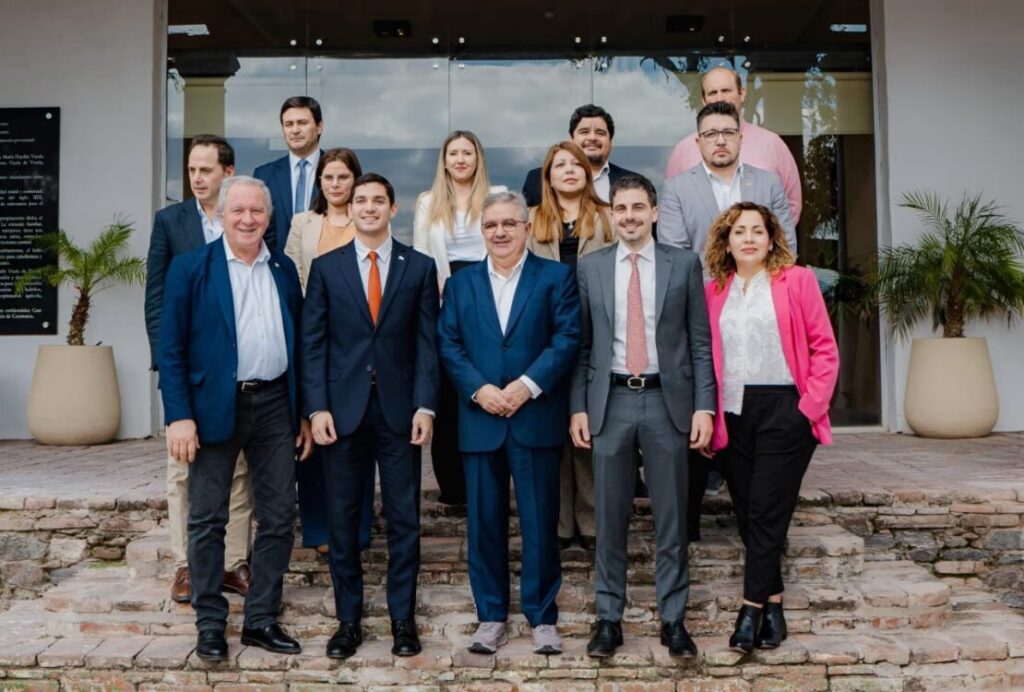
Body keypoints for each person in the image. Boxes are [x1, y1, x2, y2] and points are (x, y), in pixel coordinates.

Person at [158, 176, 313, 662]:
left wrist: (303, 413)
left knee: (279, 517)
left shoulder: (283, 268)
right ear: (222, 215)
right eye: (239, 210)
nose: (248, 219)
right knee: (207, 519)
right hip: (211, 408)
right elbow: (170, 349)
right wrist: (179, 416)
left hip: (275, 406)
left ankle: (261, 619)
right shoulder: (190, 268)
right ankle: (209, 623)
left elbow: (299, 345)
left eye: (257, 211)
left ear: (269, 217)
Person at [569, 175, 715, 659]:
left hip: (666, 403)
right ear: (612, 215)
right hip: (610, 401)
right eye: (621, 208)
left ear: (654, 212)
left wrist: (704, 406)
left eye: (638, 207)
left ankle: (673, 620)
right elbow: (582, 347)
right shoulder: (590, 267)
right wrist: (578, 407)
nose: (629, 216)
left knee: (671, 519)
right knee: (609, 519)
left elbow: (699, 343)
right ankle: (608, 619)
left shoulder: (683, 263)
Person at [302, 173, 440, 660]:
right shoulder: (326, 268)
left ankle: (403, 620)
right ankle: (348, 622)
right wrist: (316, 407)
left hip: (401, 412)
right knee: (342, 519)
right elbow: (312, 344)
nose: (368, 207)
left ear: (392, 209)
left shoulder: (419, 267)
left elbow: (428, 343)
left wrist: (426, 405)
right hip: (341, 413)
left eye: (378, 200)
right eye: (360, 200)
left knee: (404, 519)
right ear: (350, 207)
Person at [438, 191, 580, 656]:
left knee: (540, 524)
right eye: (491, 225)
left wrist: (527, 385)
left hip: (533, 416)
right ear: (482, 232)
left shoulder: (555, 277)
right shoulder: (460, 284)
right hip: (480, 420)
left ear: (526, 228)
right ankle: (491, 616)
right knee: (483, 526)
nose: (499, 232)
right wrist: (479, 389)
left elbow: (567, 338)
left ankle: (542, 617)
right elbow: (449, 344)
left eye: (508, 224)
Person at [702, 202, 838, 653]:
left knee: (764, 510)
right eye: (739, 231)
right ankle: (774, 607)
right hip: (732, 411)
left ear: (771, 238)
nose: (748, 238)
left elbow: (824, 348)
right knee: (748, 513)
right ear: (726, 242)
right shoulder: (713, 290)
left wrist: (808, 408)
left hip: (785, 407)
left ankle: (749, 612)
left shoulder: (797, 280)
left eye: (757, 231)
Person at [660, 100, 795, 541]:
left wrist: (750, 291)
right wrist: (720, 290)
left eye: (727, 132)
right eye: (710, 134)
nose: (720, 140)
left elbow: (785, 248)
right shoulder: (677, 189)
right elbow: (675, 255)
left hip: (758, 315)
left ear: (740, 137)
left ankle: (756, 524)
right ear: (698, 141)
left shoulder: (767, 182)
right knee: (700, 407)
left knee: (748, 418)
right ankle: (689, 525)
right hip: (700, 312)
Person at [144, 134, 252, 604]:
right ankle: (186, 565)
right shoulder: (171, 222)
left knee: (239, 471)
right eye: (191, 170)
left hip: (239, 373)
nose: (196, 178)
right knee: (182, 469)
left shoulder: (247, 218)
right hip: (189, 372)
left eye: (206, 170)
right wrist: (168, 370)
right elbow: (156, 302)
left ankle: (233, 563)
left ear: (228, 172)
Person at [284, 147, 375, 555]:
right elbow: (291, 276)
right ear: (319, 182)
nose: (336, 184)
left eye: (343, 177)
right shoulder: (302, 223)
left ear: (355, 180)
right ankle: (319, 528)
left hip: (359, 343)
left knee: (357, 433)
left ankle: (357, 527)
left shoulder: (367, 218)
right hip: (314, 337)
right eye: (329, 177)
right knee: (313, 429)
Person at [527, 140, 614, 550]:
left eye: (575, 164)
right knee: (555, 432)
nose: (568, 170)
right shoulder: (531, 220)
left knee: (589, 429)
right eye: (559, 165)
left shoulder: (608, 217)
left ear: (587, 172)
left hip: (596, 333)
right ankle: (561, 524)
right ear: (548, 176)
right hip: (545, 337)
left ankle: (591, 521)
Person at [413, 130, 506, 507]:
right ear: (445, 160)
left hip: (489, 296)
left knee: (487, 381)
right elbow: (422, 252)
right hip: (444, 295)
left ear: (478, 157)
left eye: (468, 152)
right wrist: (437, 290)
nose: (461, 159)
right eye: (454, 153)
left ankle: (489, 479)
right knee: (450, 394)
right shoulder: (427, 201)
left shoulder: (497, 193)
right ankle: (452, 486)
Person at [664, 66, 802, 225]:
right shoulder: (683, 150)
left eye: (726, 90)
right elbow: (671, 210)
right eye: (712, 93)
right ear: (703, 100)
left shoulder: (772, 144)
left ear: (742, 93)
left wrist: (771, 239)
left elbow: (792, 205)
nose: (719, 98)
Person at [522, 104, 640, 207]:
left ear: (610, 142)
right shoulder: (537, 179)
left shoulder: (635, 182)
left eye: (600, 133)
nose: (592, 138)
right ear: (571, 139)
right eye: (584, 132)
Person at [254, 96, 325, 251]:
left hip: (327, 261)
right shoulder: (264, 175)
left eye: (302, 123)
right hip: (278, 262)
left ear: (319, 126)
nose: (295, 130)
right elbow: (260, 227)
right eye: (288, 124)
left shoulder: (337, 171)